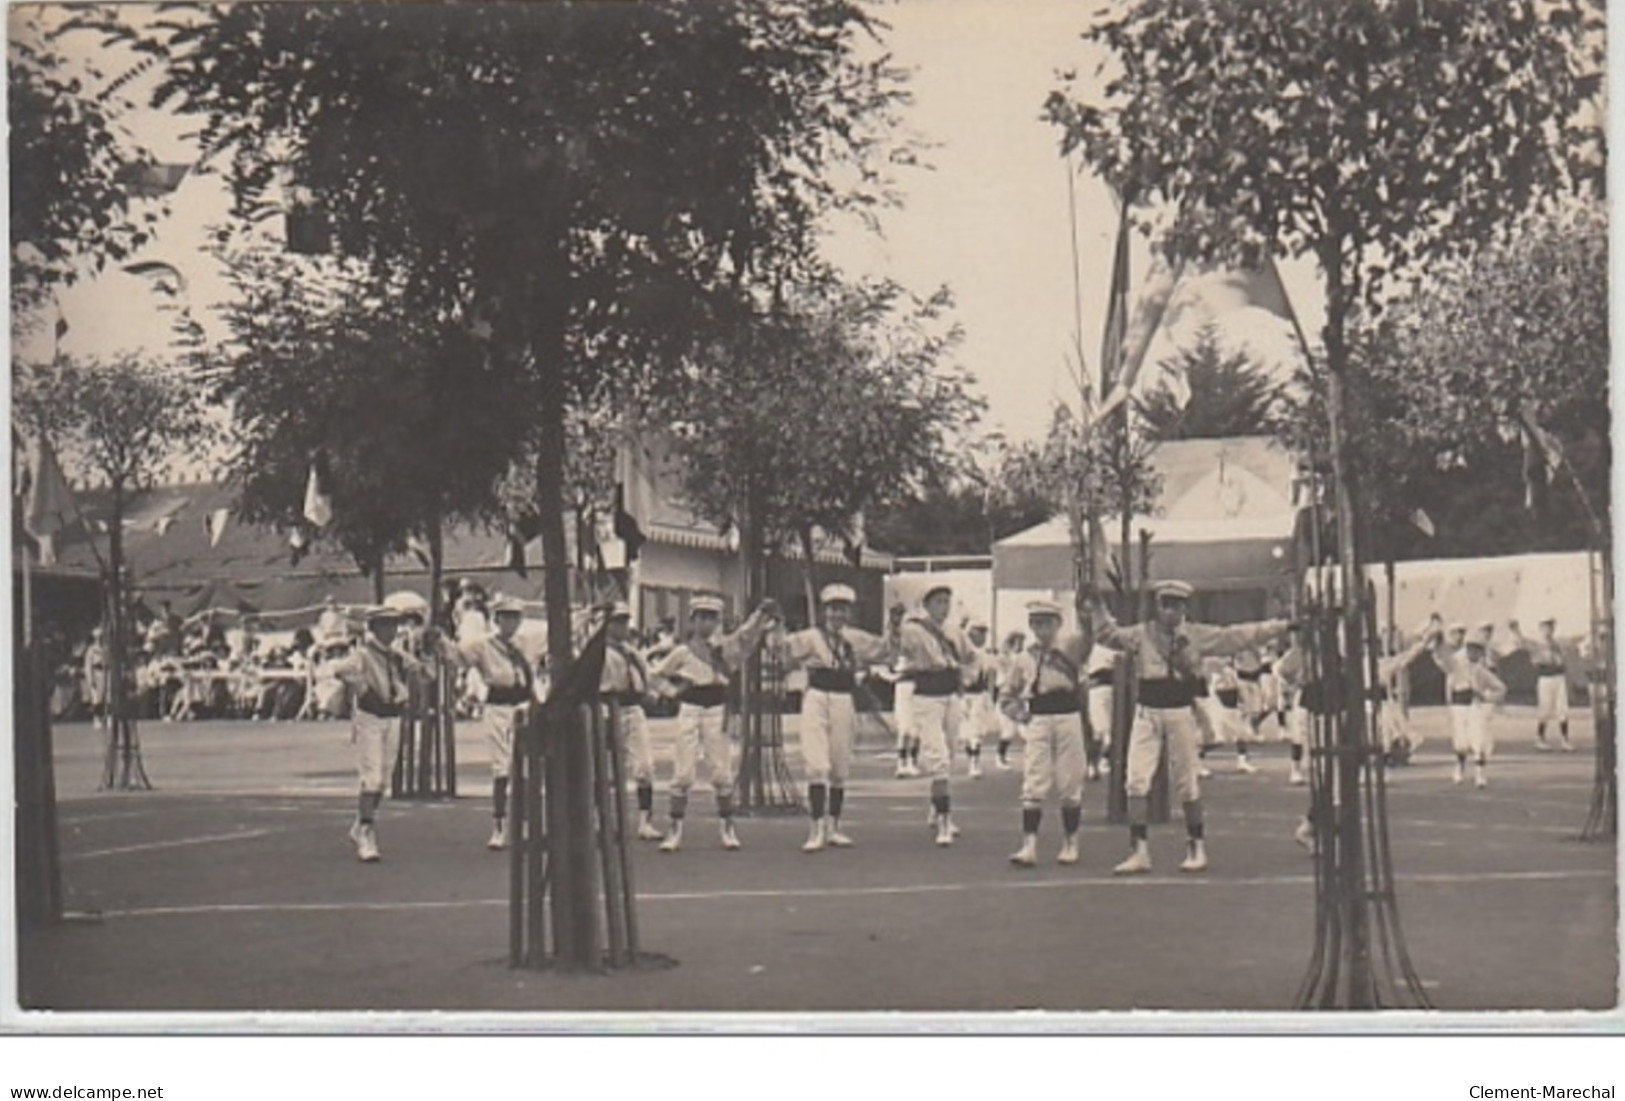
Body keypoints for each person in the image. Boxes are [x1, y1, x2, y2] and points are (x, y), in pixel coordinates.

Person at [1089, 580, 1290, 875]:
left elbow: (1236, 637)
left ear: (1185, 608)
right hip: (1147, 712)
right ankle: (1139, 850)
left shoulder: (1196, 636)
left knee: (1187, 782)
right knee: (1135, 781)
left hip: (1180, 712)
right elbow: (1108, 635)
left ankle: (1196, 846)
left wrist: (1278, 626)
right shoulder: (1143, 634)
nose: (1171, 611)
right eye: (1166, 604)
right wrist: (1097, 607)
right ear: (1158, 606)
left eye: (1177, 605)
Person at [764, 583, 896, 852]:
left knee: (839, 767)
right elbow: (781, 649)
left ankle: (834, 826)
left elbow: (885, 650)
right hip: (816, 696)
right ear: (825, 611)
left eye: (843, 609)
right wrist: (776, 624)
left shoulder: (855, 638)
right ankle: (816, 828)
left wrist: (894, 625)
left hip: (843, 699)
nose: (838, 614)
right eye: (834, 609)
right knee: (817, 765)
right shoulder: (812, 637)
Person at [649, 594, 776, 852]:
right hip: (690, 708)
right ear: (693, 621)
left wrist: (760, 614)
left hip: (717, 710)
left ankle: (727, 828)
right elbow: (656, 675)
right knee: (683, 773)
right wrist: (673, 692)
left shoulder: (724, 648)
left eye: (711, 618)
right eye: (701, 618)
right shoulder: (682, 652)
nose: (706, 623)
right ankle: (675, 830)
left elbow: (746, 635)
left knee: (721, 773)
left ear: (718, 621)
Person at [331, 604, 433, 862]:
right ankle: (367, 833)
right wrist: (363, 689)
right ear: (373, 628)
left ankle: (361, 823)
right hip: (371, 718)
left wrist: (425, 660)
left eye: (393, 625)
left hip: (393, 717)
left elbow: (424, 671)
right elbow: (341, 670)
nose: (390, 630)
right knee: (372, 777)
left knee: (384, 780)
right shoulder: (364, 654)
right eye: (384, 625)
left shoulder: (398, 656)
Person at [999, 600, 1088, 867]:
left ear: (1058, 625)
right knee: (1034, 780)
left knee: (1070, 781)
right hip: (1038, 717)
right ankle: (1029, 845)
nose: (1042, 629)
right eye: (1037, 623)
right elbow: (1006, 694)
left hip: (1068, 716)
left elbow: (1083, 690)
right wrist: (1019, 714)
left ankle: (1071, 843)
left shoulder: (1071, 653)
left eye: (1048, 623)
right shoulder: (1023, 659)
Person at [450, 594, 536, 850]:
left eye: (515, 617)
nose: (511, 623)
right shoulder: (483, 645)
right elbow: (458, 656)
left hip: (525, 704)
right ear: (496, 620)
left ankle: (527, 824)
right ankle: (499, 825)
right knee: (502, 768)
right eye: (506, 617)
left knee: (529, 767)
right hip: (498, 706)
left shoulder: (526, 641)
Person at [897, 584, 977, 846]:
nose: (944, 607)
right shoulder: (913, 629)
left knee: (952, 751)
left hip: (951, 693)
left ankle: (936, 807)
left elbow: (970, 656)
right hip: (926, 695)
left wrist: (967, 675)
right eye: (939, 602)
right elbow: (900, 646)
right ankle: (945, 821)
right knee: (938, 757)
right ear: (927, 605)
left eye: (947, 601)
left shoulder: (954, 630)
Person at [600, 601, 663, 841]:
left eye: (625, 621)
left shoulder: (632, 652)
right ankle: (604, 821)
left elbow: (647, 678)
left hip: (633, 708)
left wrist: (651, 693)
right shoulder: (599, 653)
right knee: (606, 769)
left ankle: (645, 821)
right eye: (617, 622)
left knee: (644, 766)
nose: (622, 626)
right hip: (608, 707)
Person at [1432, 623, 1507, 788]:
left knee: (1479, 739)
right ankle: (1459, 767)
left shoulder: (1481, 669)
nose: (1475, 652)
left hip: (1476, 706)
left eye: (1478, 649)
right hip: (1459, 705)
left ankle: (1480, 775)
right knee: (1461, 741)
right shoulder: (1456, 663)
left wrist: (1487, 696)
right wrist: (1437, 644)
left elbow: (1500, 688)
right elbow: (1442, 660)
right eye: (1472, 649)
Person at [1508, 618, 1574, 752]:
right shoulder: (1536, 644)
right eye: (1545, 627)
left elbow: (1568, 650)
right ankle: (1540, 738)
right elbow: (1522, 642)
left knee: (1562, 708)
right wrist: (1515, 630)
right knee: (1545, 708)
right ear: (1541, 628)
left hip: (1559, 676)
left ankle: (1565, 739)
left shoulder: (1558, 643)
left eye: (1550, 627)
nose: (1548, 630)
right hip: (1545, 677)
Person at [960, 619, 999, 779]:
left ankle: (974, 763)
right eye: (977, 633)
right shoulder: (963, 654)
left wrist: (990, 698)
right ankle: (971, 756)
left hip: (979, 696)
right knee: (965, 732)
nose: (980, 636)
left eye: (983, 633)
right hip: (963, 695)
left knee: (976, 731)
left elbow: (991, 678)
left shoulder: (987, 656)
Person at [888, 602, 921, 778]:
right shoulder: (896, 641)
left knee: (916, 727)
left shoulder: (922, 643)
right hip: (903, 685)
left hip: (919, 686)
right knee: (904, 726)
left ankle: (913, 761)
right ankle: (901, 763)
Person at [993, 630, 1027, 770]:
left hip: (1020, 699)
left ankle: (1032, 759)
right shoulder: (1004, 659)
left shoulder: (1023, 658)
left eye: (1022, 642)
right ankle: (999, 757)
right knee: (1009, 731)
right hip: (1006, 698)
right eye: (1018, 642)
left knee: (1027, 731)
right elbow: (1001, 681)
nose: (1020, 645)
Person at [82, 627, 109, 729]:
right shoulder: (91, 650)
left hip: (105, 672)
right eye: (98, 637)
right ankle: (97, 718)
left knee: (107, 696)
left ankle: (107, 717)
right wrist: (90, 678)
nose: (100, 639)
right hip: (96, 673)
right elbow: (88, 665)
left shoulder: (106, 649)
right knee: (97, 698)